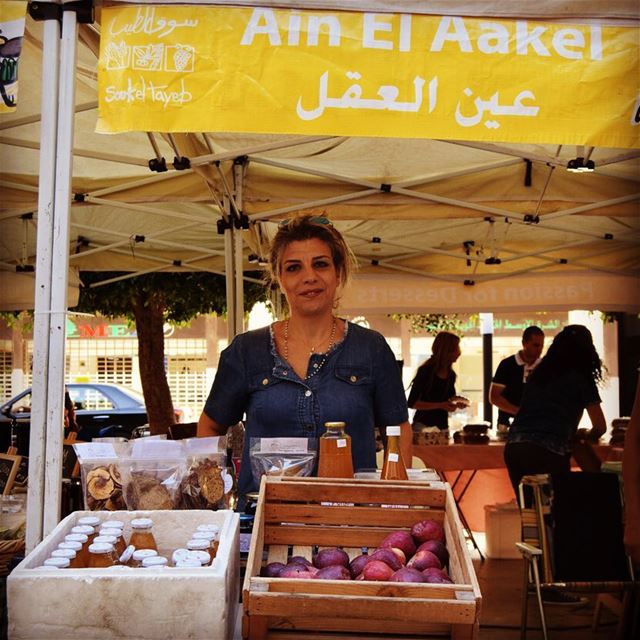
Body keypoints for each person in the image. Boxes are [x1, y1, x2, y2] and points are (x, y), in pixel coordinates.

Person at [197, 214, 411, 503]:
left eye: (320, 264)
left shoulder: (371, 349)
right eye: (294, 267)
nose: (309, 277)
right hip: (265, 522)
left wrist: (400, 499)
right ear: (280, 278)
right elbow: (210, 427)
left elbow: (398, 430)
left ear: (338, 273)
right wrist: (214, 495)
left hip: (354, 521)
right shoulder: (247, 351)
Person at [504, 324, 606, 499]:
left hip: (515, 447)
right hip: (549, 450)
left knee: (530, 515)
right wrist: (583, 435)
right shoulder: (581, 378)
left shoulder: (539, 373)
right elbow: (600, 426)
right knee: (556, 515)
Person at [407, 331, 467, 432]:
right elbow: (412, 403)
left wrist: (457, 402)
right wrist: (440, 405)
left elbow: (448, 401)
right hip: (423, 427)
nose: (459, 352)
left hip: (443, 427)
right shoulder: (425, 372)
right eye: (457, 348)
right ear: (447, 350)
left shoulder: (451, 375)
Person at [489, 325, 544, 431]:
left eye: (541, 346)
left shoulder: (544, 367)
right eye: (536, 345)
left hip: (536, 425)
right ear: (524, 343)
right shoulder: (507, 365)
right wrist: (519, 412)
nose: (539, 350)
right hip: (507, 425)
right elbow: (494, 397)